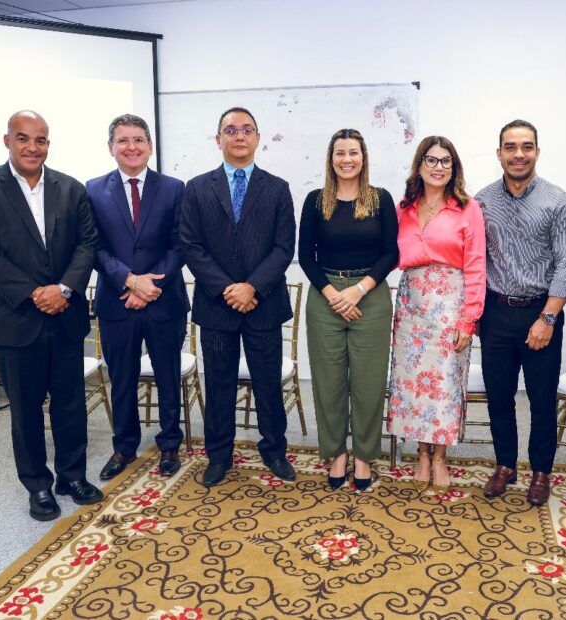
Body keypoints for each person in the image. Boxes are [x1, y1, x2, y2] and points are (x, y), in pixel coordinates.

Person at [0, 110, 103, 521]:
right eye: (23, 138)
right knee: (25, 410)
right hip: (15, 319)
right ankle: (37, 485)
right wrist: (34, 293)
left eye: (40, 140)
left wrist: (63, 289)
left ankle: (72, 476)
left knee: (70, 403)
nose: (32, 147)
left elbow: (87, 244)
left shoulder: (71, 189)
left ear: (48, 144)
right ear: (7, 140)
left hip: (65, 314)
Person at [179, 107, 297, 488]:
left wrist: (252, 287)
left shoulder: (277, 188)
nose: (239, 136)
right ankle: (219, 455)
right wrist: (229, 289)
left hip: (263, 303)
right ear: (218, 140)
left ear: (258, 138)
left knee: (267, 383)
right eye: (230, 130)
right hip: (217, 305)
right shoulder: (197, 188)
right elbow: (191, 246)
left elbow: (283, 247)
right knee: (219, 384)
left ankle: (275, 450)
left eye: (247, 130)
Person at [475, 120, 566, 506]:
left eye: (527, 146)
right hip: (496, 313)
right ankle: (505, 465)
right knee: (498, 397)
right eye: (510, 146)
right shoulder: (482, 201)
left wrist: (548, 318)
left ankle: (541, 471)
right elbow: (475, 259)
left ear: (537, 151)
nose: (518, 154)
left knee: (540, 398)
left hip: (541, 312)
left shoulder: (559, 202)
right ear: (499, 152)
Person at [87, 114, 189, 480]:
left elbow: (181, 243)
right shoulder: (93, 189)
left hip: (165, 302)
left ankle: (169, 444)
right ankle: (123, 447)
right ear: (110, 147)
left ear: (149, 145)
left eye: (138, 140)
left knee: (167, 375)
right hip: (117, 303)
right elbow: (93, 247)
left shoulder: (175, 187)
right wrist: (129, 281)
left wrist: (151, 287)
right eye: (123, 140)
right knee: (123, 378)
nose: (131, 147)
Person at [298, 129, 399, 491]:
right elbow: (305, 255)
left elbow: (391, 253)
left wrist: (357, 290)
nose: (346, 159)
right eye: (340, 153)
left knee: (369, 384)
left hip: (369, 295)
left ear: (363, 157)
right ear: (331, 158)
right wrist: (332, 293)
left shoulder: (380, 199)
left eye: (353, 153)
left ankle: (363, 458)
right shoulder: (315, 200)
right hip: (324, 296)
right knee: (329, 383)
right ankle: (336, 453)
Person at [387, 136, 486, 495]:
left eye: (446, 161)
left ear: (453, 168)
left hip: (450, 302)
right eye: (431, 160)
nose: (438, 166)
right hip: (412, 303)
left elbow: (476, 265)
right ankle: (421, 453)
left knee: (444, 383)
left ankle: (440, 455)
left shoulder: (467, 207)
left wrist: (468, 318)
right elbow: (390, 253)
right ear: (419, 165)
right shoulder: (404, 208)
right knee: (413, 383)